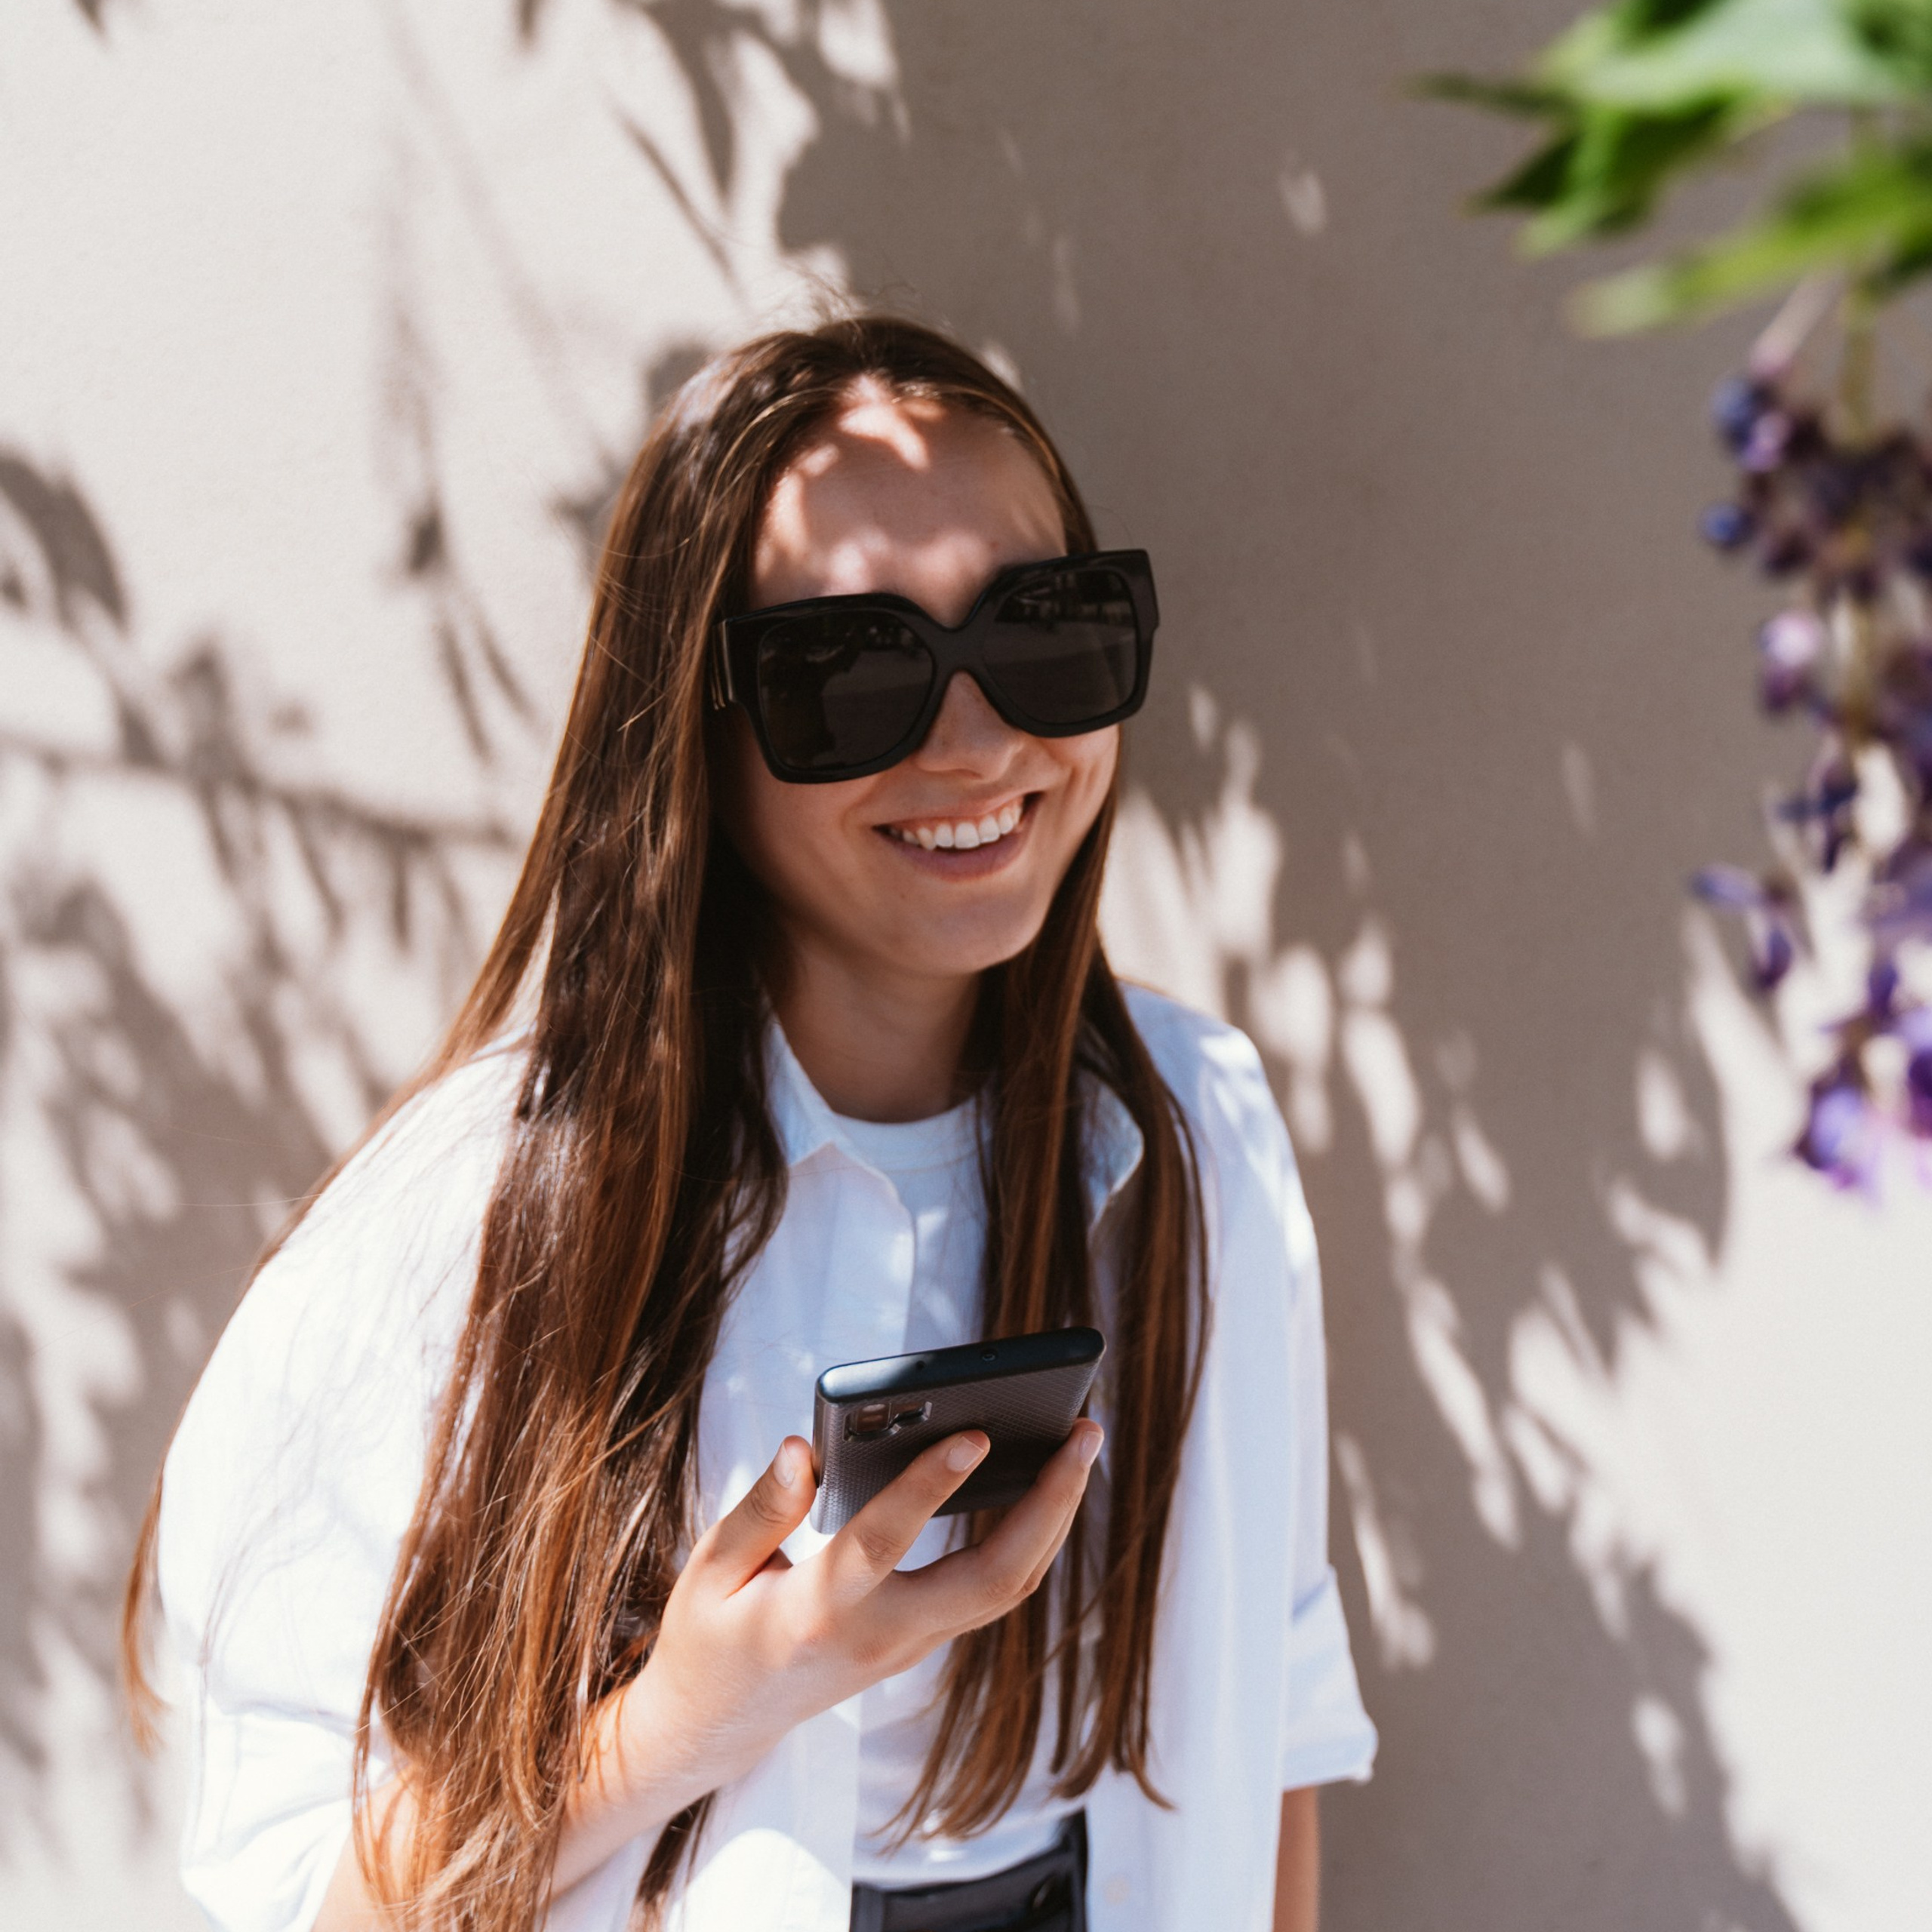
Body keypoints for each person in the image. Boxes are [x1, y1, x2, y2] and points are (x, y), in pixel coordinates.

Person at [123, 315, 1375, 1932]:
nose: (977, 739)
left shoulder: (1197, 1134)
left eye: (1046, 630)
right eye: (852, 673)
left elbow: (1271, 1721)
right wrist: (686, 1718)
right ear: (693, 730)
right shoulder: (467, 1222)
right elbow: (305, 1899)